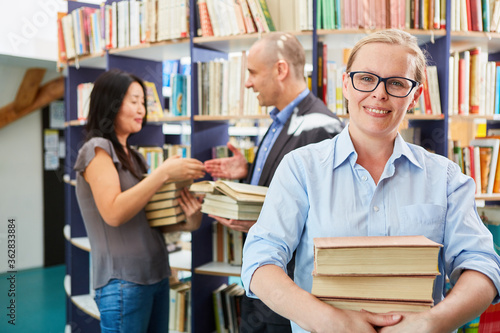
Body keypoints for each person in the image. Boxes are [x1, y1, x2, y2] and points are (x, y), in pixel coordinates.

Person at [241, 29, 500, 333]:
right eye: (366, 78)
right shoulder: (301, 168)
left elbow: (483, 266)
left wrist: (433, 323)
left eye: (396, 83)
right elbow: (259, 261)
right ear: (346, 85)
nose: (379, 93)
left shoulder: (445, 177)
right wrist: (329, 321)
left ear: (415, 95)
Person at [204, 32, 344, 331]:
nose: (247, 83)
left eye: (253, 73)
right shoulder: (281, 120)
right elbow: (288, 185)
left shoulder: (321, 126)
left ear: (281, 70)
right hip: (267, 276)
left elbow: (326, 212)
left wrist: (257, 217)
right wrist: (248, 170)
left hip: (291, 285)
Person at [74, 69, 206, 333]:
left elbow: (148, 222)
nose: (141, 109)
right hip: (123, 282)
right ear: (109, 103)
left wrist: (188, 219)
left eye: (143, 103)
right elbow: (113, 212)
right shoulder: (97, 149)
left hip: (157, 275)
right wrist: (164, 173)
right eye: (133, 101)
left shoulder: (135, 158)